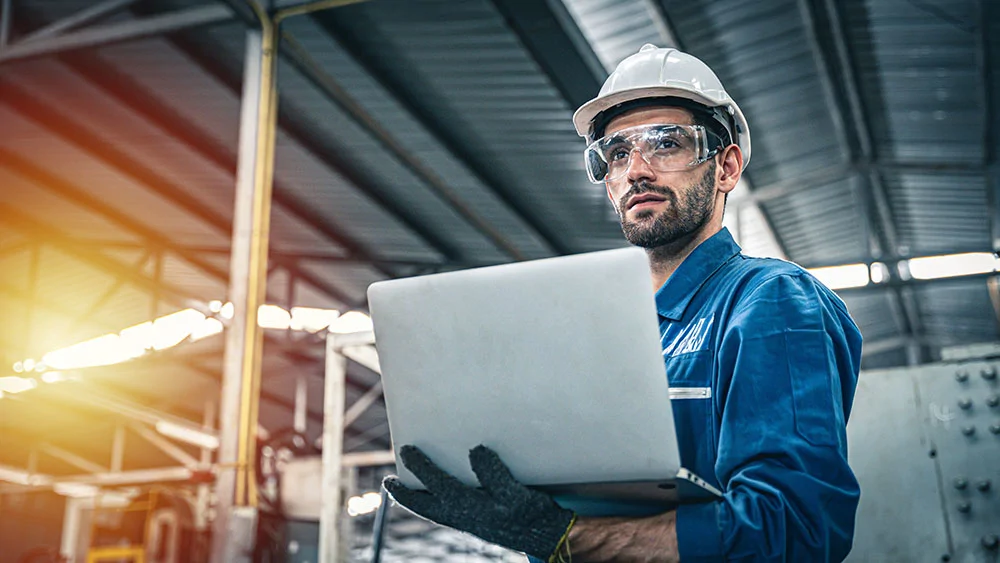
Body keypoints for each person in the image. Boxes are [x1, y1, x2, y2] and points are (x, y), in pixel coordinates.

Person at [384, 44, 862, 562]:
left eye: (666, 144)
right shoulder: (599, 334)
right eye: (617, 153)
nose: (636, 170)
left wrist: (569, 539)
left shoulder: (770, 302)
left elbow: (796, 529)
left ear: (725, 168)